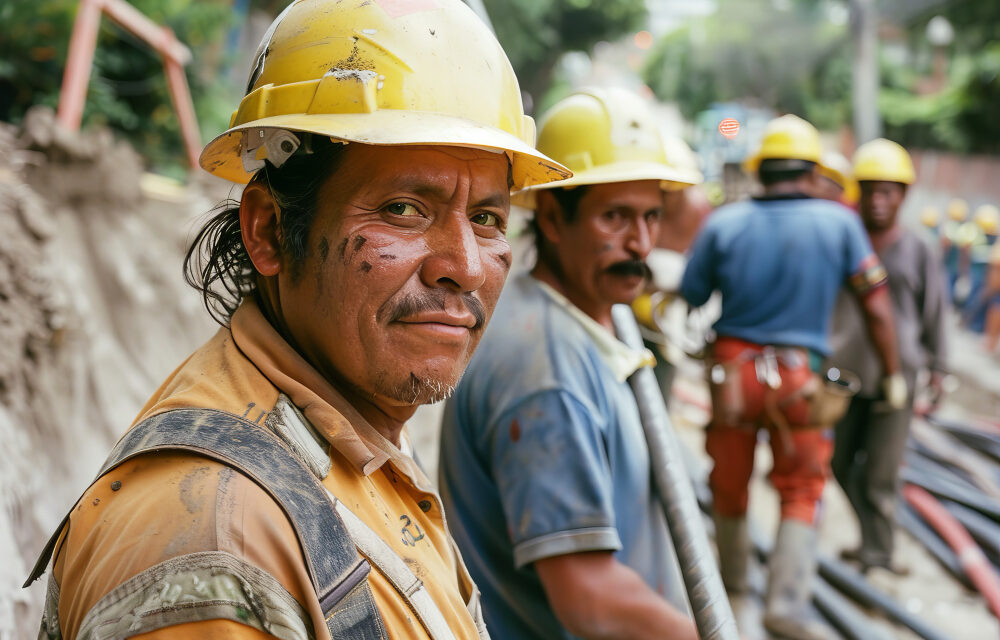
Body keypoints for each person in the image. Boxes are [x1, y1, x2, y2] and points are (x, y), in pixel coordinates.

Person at [23, 2, 571, 639]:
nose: (467, 266)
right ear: (270, 230)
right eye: (403, 208)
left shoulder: (347, 436)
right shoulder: (219, 540)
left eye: (488, 219)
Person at [438, 88, 700, 640]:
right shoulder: (547, 374)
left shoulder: (569, 314)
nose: (641, 242)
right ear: (554, 216)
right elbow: (589, 598)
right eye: (615, 217)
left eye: (652, 216)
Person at [680, 115, 903, 640]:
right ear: (811, 171)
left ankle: (731, 592)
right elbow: (877, 308)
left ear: (761, 170)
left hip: (734, 376)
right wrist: (893, 375)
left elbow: (691, 294)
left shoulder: (724, 222)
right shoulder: (841, 223)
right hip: (801, 380)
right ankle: (786, 605)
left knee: (728, 483)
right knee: (802, 488)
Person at [829, 138, 949, 575]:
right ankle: (870, 539)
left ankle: (878, 552)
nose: (878, 201)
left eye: (888, 191)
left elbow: (935, 312)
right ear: (857, 191)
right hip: (847, 372)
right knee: (840, 463)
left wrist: (938, 369)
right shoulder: (845, 240)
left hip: (898, 379)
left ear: (904, 195)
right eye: (871, 190)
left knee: (879, 473)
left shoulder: (917, 250)